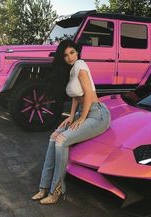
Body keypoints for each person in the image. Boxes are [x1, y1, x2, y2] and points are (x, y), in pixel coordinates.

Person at [31, 39, 111, 205]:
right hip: (84, 112)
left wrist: (82, 118)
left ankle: (57, 190)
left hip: (97, 115)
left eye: (72, 52)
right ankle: (43, 187)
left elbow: (88, 93)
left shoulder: (81, 65)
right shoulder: (71, 70)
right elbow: (76, 96)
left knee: (61, 141)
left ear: (77, 52)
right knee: (54, 137)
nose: (69, 57)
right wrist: (71, 115)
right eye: (66, 55)